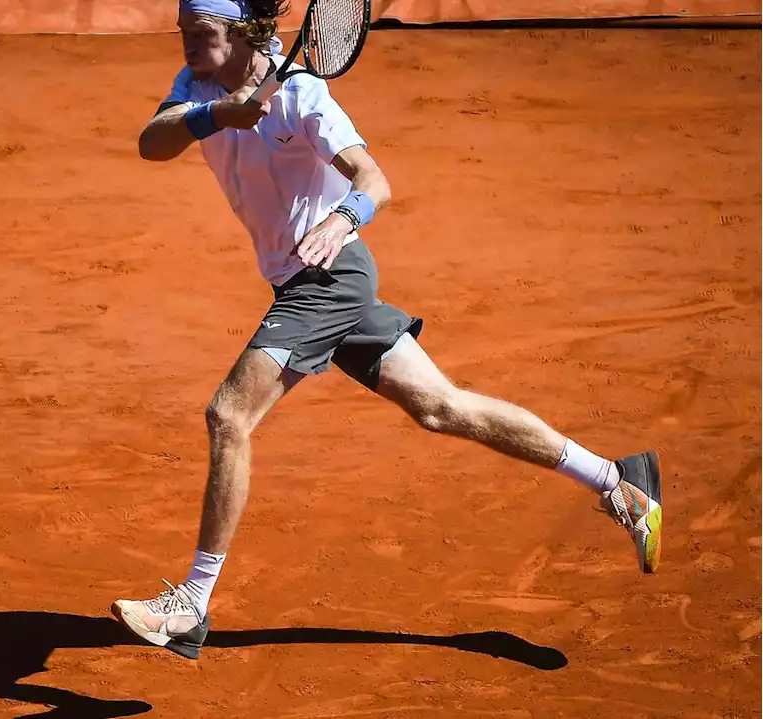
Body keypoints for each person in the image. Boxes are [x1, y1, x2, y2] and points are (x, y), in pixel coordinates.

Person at [109, 0, 664, 661]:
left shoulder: (304, 96)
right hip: (299, 282)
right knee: (440, 407)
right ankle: (618, 481)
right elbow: (152, 141)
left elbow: (375, 180)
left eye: (199, 35)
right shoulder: (195, 89)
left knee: (229, 413)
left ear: (240, 32)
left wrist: (343, 218)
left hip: (331, 273)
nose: (187, 46)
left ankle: (193, 604)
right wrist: (217, 115)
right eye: (183, 34)